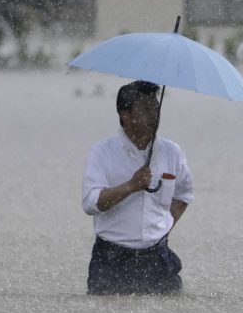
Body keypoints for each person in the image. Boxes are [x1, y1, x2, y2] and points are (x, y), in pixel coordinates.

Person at [82, 80, 194, 295]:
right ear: (125, 114)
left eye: (156, 108)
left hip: (158, 260)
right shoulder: (102, 153)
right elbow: (90, 203)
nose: (154, 115)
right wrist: (131, 186)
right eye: (145, 109)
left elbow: (184, 193)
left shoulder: (172, 152)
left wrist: (163, 227)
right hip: (111, 261)